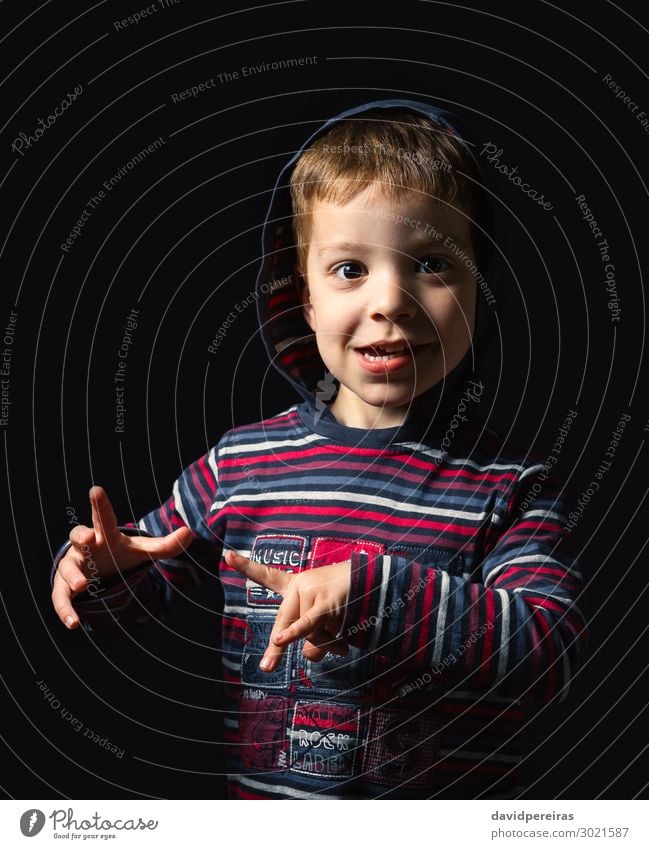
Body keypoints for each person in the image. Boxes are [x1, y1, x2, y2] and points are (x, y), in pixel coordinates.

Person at [50, 99, 588, 799]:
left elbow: (550, 650)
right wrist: (101, 573)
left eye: (430, 261)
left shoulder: (509, 488)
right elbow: (138, 587)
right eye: (348, 269)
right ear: (302, 298)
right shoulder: (239, 466)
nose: (390, 299)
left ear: (476, 285)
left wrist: (374, 593)